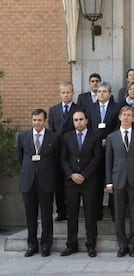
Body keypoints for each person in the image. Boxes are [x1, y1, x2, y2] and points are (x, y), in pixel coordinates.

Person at [17, 109, 60, 257]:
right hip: (28, 181)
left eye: (40, 120)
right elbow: (20, 158)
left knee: (47, 215)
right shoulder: (23, 136)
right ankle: (32, 244)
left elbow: (56, 160)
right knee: (30, 215)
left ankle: (46, 245)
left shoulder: (53, 137)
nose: (37, 123)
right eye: (34, 120)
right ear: (32, 120)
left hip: (46, 181)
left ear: (45, 121)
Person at [105, 106, 134, 257]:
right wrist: (108, 182)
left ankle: (133, 244)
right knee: (119, 213)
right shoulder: (111, 137)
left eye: (130, 115)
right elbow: (108, 161)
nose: (126, 117)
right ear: (119, 117)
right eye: (124, 115)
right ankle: (122, 244)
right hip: (117, 180)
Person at [60, 109, 102, 257]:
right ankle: (71, 245)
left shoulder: (95, 136)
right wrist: (71, 174)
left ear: (86, 120)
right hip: (71, 182)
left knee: (90, 213)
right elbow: (63, 158)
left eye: (81, 119)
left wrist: (84, 175)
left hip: (89, 181)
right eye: (76, 120)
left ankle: (91, 245)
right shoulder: (67, 137)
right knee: (72, 214)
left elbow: (97, 158)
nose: (78, 122)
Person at [87, 82, 121, 220]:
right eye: (99, 91)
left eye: (104, 91)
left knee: (111, 180)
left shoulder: (117, 107)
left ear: (110, 94)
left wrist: (109, 139)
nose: (101, 93)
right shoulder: (90, 108)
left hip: (111, 148)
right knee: (96, 181)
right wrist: (95, 141)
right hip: (95, 150)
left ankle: (114, 211)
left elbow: (118, 126)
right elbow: (88, 127)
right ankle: (97, 211)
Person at [48, 81, 77, 221]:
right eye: (63, 92)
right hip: (58, 150)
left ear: (73, 92)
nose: (65, 95)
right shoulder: (53, 110)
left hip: (73, 150)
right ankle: (60, 211)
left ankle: (72, 211)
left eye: (68, 92)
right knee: (58, 182)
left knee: (70, 182)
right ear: (60, 93)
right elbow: (52, 131)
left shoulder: (79, 108)